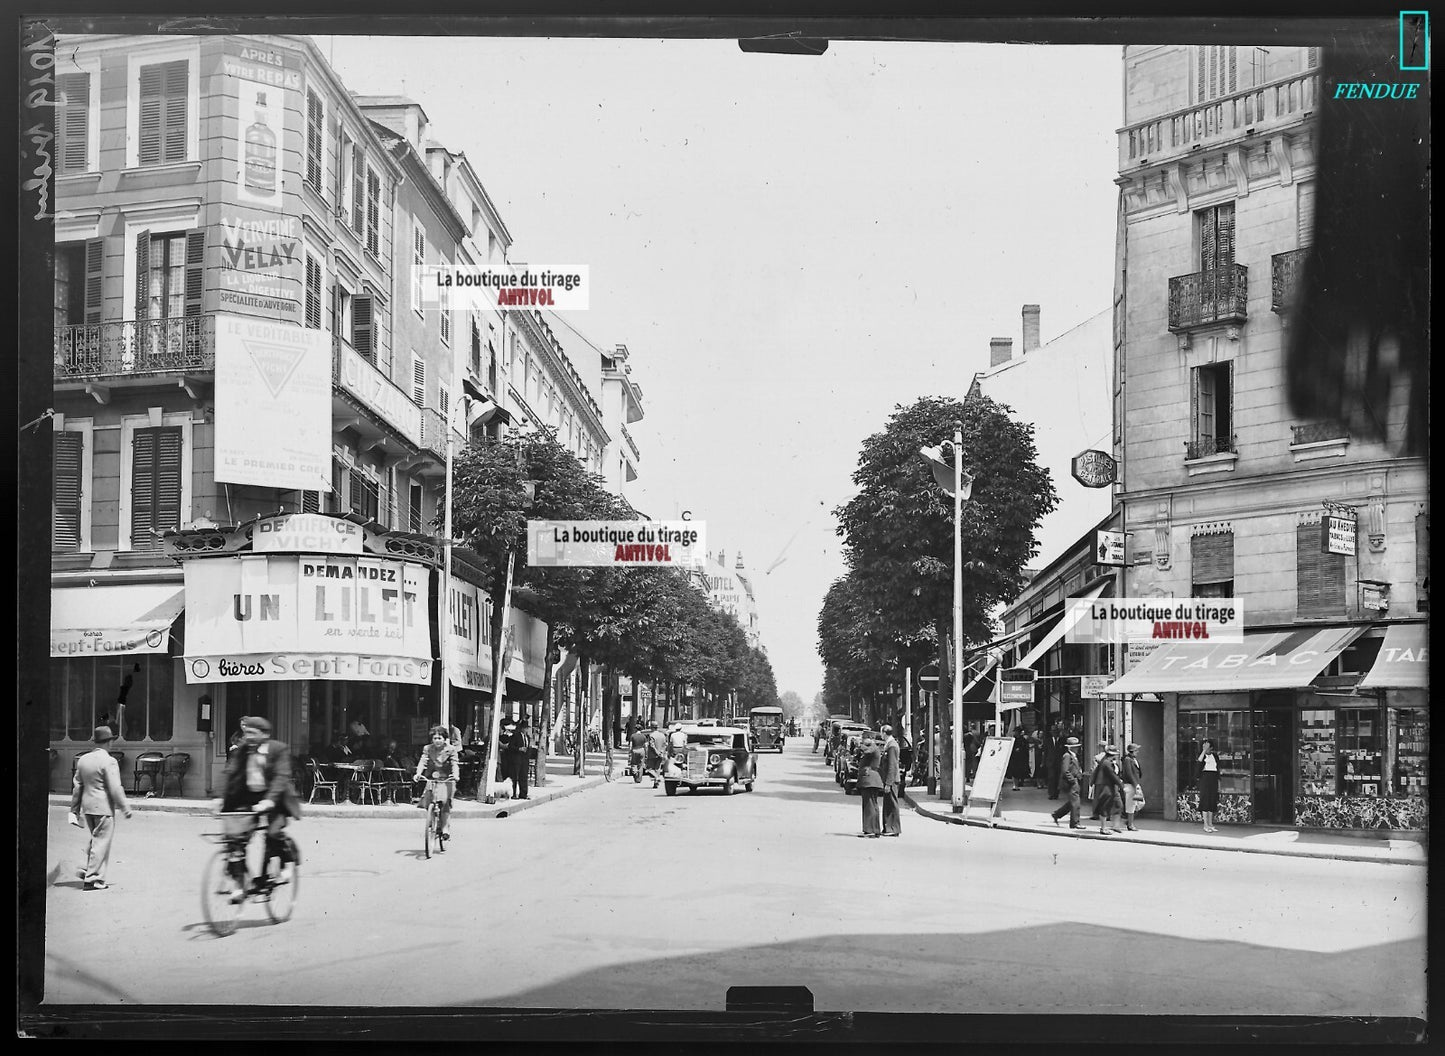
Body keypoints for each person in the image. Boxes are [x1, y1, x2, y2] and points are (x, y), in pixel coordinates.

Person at [218, 715, 303, 893]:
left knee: (273, 833)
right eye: (247, 732)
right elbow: (231, 775)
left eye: (253, 733)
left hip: (276, 798)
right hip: (250, 797)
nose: (248, 737)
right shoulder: (242, 750)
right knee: (235, 840)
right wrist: (220, 800)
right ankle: (240, 885)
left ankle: (286, 861)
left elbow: (281, 777)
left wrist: (269, 801)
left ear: (264, 735)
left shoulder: (278, 749)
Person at [70, 725, 133, 890]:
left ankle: (86, 868)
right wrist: (125, 807)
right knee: (101, 841)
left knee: (97, 839)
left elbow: (77, 787)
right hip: (103, 808)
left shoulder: (83, 760)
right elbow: (115, 788)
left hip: (87, 807)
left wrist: (74, 809)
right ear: (109, 743)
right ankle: (93, 879)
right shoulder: (109, 761)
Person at [413, 725, 460, 843]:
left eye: (439, 738)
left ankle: (445, 829)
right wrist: (418, 773)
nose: (437, 741)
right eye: (435, 738)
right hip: (433, 777)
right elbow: (423, 761)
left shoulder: (451, 749)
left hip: (447, 779)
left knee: (445, 803)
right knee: (428, 800)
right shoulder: (428, 749)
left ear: (445, 739)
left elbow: (454, 764)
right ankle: (433, 820)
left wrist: (455, 775)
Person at [854, 731, 885, 838]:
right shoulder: (872, 747)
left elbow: (867, 751)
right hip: (869, 780)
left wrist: (859, 745)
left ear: (870, 738)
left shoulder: (872, 747)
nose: (862, 739)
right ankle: (873, 829)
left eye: (863, 738)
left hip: (870, 779)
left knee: (870, 806)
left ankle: (871, 829)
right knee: (871, 805)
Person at [1050, 737, 1084, 830]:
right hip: (1071, 782)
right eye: (1075, 747)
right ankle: (1075, 823)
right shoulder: (1067, 756)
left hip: (1075, 780)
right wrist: (1072, 780)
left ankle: (1057, 814)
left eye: (1077, 746)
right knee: (1076, 802)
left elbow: (1074, 768)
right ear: (1070, 747)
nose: (1077, 748)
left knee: (1072, 802)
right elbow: (1065, 770)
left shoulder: (1074, 756)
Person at [1092, 745, 1125, 835]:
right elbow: (1112, 775)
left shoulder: (1108, 761)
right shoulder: (1106, 763)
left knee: (1118, 805)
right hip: (1105, 787)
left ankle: (1115, 826)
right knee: (1104, 806)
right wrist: (1121, 785)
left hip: (1110, 787)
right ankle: (1103, 828)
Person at [879, 725, 902, 836]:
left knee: (892, 804)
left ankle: (894, 828)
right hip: (890, 779)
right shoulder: (889, 744)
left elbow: (892, 765)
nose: (880, 735)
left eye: (881, 732)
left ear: (884, 732)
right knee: (888, 804)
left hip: (892, 779)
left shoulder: (892, 745)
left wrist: (888, 783)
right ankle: (888, 828)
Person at [1120, 742, 1144, 831]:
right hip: (1131, 785)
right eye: (1136, 750)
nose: (1138, 752)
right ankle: (1130, 824)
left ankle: (1129, 820)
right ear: (1132, 751)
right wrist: (1135, 785)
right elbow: (1129, 773)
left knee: (1140, 803)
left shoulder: (1133, 759)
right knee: (1132, 804)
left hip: (1136, 784)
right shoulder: (1127, 760)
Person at [1198, 739, 1220, 832]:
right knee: (1205, 800)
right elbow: (1199, 761)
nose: (1205, 748)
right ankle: (1205, 825)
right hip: (1205, 778)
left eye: (1207, 746)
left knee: (1212, 800)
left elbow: (1217, 767)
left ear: (1211, 747)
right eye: (1204, 746)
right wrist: (1203, 750)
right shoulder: (1202, 756)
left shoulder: (1214, 755)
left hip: (1213, 778)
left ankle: (1210, 824)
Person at [645, 721, 668, 788]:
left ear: (652, 728)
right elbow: (665, 745)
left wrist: (657, 752)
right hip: (661, 754)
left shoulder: (651, 735)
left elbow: (652, 745)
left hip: (652, 755)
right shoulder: (662, 735)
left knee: (649, 768)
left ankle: (656, 778)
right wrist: (661, 752)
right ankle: (655, 782)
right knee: (657, 768)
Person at [1043, 723, 1063, 800]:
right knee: (1051, 778)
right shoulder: (1048, 741)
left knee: (1057, 778)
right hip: (1050, 762)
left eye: (1056, 731)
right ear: (1051, 732)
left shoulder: (1062, 740)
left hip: (1059, 762)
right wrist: (1044, 762)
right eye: (1053, 731)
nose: (1054, 733)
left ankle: (1056, 793)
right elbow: (1045, 752)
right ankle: (1051, 793)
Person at [1008, 727, 1031, 791]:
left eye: (1016, 731)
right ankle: (1015, 784)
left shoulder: (1023, 740)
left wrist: (1020, 749)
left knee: (1019, 771)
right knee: (1014, 771)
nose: (1015, 732)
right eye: (1015, 731)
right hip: (1013, 757)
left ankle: (1018, 783)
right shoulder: (1013, 739)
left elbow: (1026, 748)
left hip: (1021, 758)